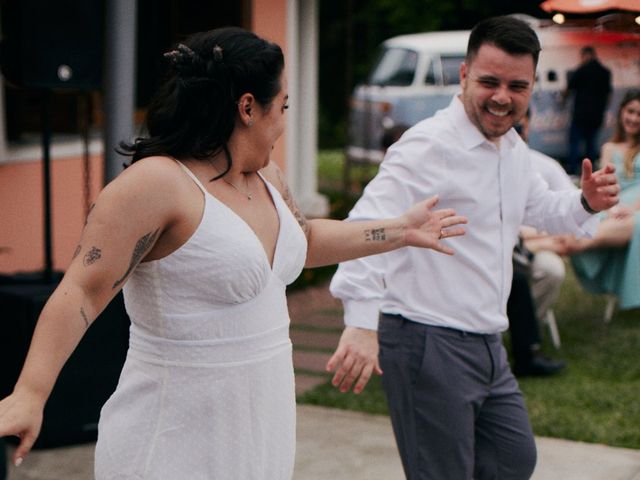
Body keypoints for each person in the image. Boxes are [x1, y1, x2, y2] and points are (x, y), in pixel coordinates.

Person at [0, 28, 468, 479]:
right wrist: (29, 393)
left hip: (259, 434)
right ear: (248, 107)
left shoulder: (267, 179)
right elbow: (81, 291)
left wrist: (399, 230)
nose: (283, 123)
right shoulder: (158, 183)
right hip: (171, 442)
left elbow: (302, 243)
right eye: (281, 107)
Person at [327, 16, 620, 480]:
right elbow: (369, 225)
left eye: (517, 86)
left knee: (512, 459)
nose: (502, 97)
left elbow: (540, 207)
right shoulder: (428, 145)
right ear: (463, 76)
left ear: (531, 89)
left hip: (486, 341)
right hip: (427, 339)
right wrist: (362, 322)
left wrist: (585, 201)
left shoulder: (510, 149)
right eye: (489, 81)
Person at [568, 90, 640, 311]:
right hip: (613, 208)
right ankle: (532, 244)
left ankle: (536, 248)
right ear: (621, 112)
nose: (634, 118)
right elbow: (605, 187)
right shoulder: (608, 148)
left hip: (635, 210)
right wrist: (614, 208)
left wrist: (630, 209)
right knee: (576, 224)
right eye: (630, 111)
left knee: (581, 239)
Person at [563, 45, 612, 175]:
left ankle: (573, 170)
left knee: (574, 142)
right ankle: (589, 172)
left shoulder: (581, 70)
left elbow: (569, 89)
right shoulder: (605, 72)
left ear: (586, 55)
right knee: (591, 144)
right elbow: (608, 95)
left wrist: (563, 99)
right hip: (596, 115)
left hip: (580, 114)